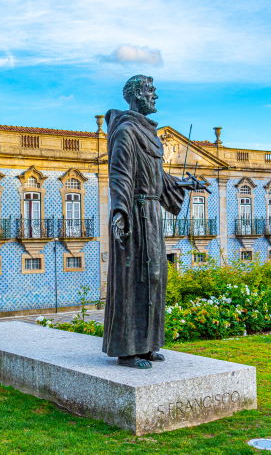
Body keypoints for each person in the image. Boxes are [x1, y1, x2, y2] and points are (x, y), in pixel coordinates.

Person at [103, 75, 206, 369]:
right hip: (135, 214)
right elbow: (120, 174)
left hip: (150, 215)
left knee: (155, 276)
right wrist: (120, 212)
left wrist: (183, 185)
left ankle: (147, 345)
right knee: (135, 277)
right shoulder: (126, 130)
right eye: (150, 91)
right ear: (136, 95)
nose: (155, 97)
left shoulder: (147, 133)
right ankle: (128, 350)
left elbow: (156, 177)